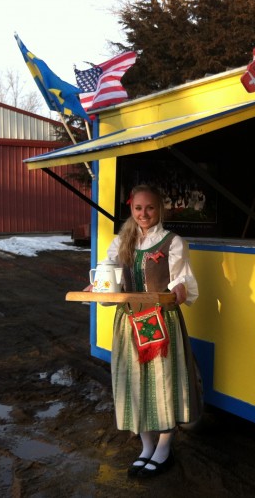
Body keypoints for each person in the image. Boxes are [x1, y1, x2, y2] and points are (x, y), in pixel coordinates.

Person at [86, 184, 203, 478]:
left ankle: (164, 448)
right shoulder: (123, 241)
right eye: (138, 208)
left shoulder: (173, 242)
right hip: (129, 322)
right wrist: (97, 284)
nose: (144, 214)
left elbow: (183, 279)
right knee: (135, 382)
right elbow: (107, 269)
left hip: (161, 321)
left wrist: (179, 288)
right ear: (131, 209)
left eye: (150, 208)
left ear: (160, 209)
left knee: (163, 383)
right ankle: (146, 447)